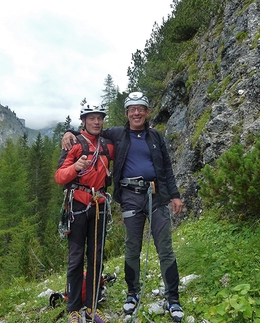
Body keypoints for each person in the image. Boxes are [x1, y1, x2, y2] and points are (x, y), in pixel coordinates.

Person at [62, 92, 184, 322]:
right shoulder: (117, 134)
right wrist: (69, 133)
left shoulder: (156, 136)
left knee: (165, 247)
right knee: (132, 247)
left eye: (141, 109)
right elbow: (90, 134)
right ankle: (132, 293)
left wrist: (175, 196)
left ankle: (173, 298)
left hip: (157, 197)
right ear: (126, 114)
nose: (136, 113)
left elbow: (166, 167)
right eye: (132, 109)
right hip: (130, 197)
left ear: (147, 112)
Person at [55, 101, 114, 323]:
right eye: (92, 118)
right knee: (76, 258)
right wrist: (75, 168)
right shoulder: (75, 145)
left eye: (99, 118)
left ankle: (91, 307)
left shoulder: (108, 146)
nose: (96, 122)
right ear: (84, 121)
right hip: (78, 207)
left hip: (99, 206)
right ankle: (73, 309)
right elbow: (59, 176)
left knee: (96, 257)